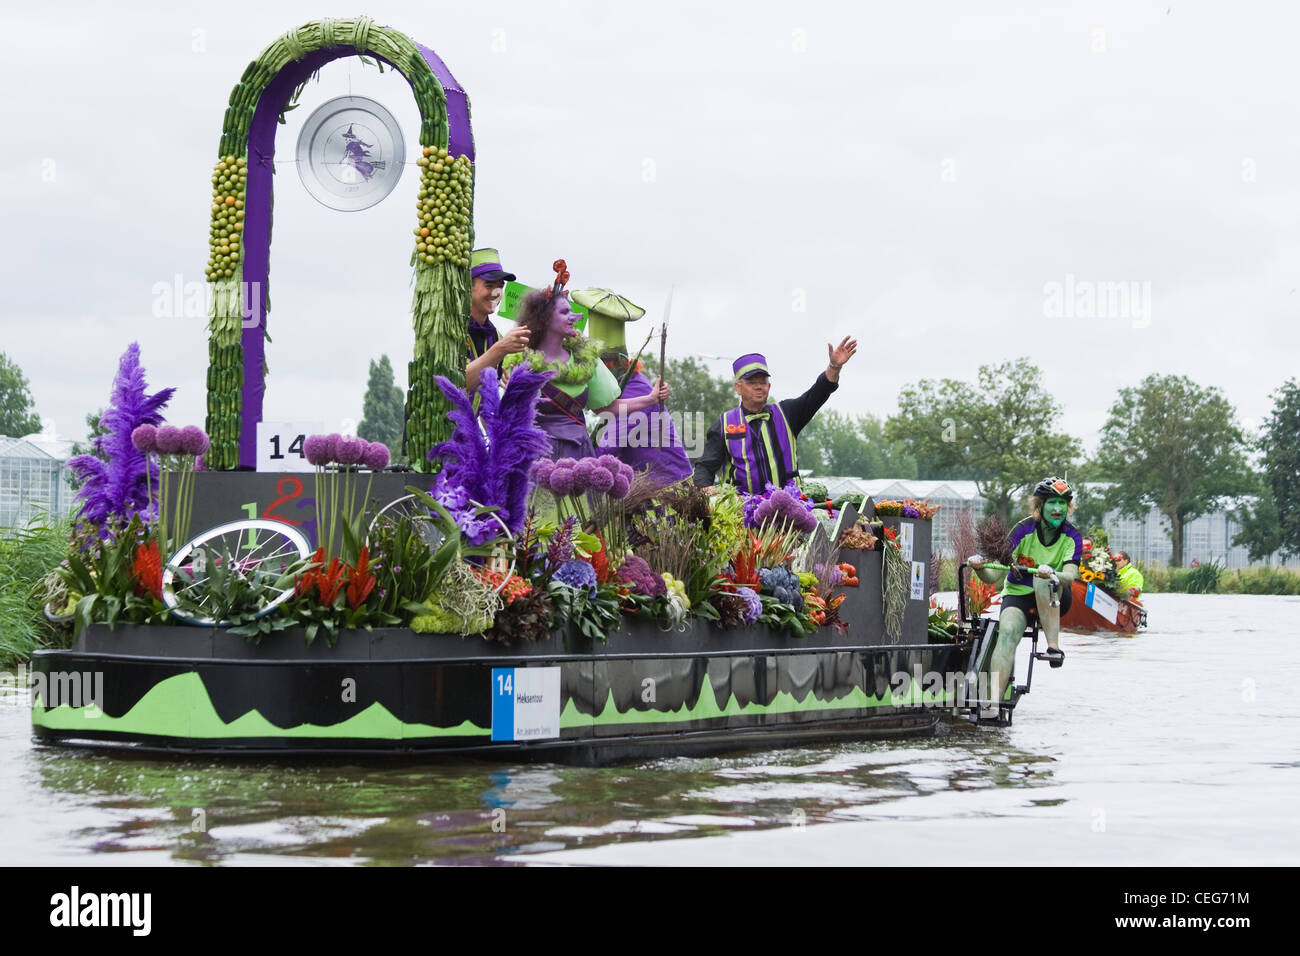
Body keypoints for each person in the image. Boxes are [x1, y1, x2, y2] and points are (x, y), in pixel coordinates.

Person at [502, 261, 668, 460]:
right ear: (544, 319)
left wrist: (651, 398)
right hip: (536, 456)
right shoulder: (520, 360)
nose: (575, 316)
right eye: (565, 312)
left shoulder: (587, 359)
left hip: (578, 456)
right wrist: (513, 392)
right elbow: (506, 417)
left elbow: (607, 409)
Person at [968, 476, 1082, 720]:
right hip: (1018, 594)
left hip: (1055, 596)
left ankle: (1053, 647)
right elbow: (994, 577)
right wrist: (978, 567)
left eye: (1063, 504)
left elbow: (1071, 576)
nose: (1058, 509)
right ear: (1039, 506)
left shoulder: (1072, 536)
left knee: (1043, 579)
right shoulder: (1022, 530)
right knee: (1007, 632)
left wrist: (1051, 573)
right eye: (1052, 503)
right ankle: (993, 704)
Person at [692, 337, 858, 494]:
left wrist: (834, 367)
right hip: (741, 514)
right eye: (751, 382)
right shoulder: (724, 424)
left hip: (789, 510)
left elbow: (817, 394)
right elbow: (705, 467)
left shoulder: (787, 413)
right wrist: (706, 490)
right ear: (738, 388)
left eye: (763, 382)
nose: (758, 387)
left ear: (769, 387)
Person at [582, 289, 692, 488]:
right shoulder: (623, 389)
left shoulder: (636, 389)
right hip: (645, 488)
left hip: (669, 490)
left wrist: (582, 474)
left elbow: (611, 444)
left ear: (609, 367)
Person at [465, 248, 530, 391]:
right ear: (468, 287)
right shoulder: (448, 330)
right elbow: (451, 385)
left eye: (500, 286)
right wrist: (499, 350)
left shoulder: (496, 336)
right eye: (489, 286)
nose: (497, 293)